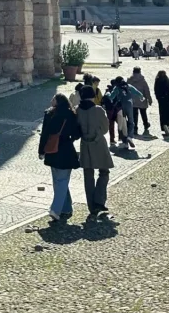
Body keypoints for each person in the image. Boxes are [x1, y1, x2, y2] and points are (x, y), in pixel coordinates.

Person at [38, 94, 81, 222]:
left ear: (57, 102)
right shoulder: (71, 115)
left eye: (53, 99)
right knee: (62, 181)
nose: (51, 100)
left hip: (52, 151)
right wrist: (69, 138)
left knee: (58, 181)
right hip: (66, 150)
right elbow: (77, 133)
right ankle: (65, 208)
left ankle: (56, 210)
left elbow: (44, 134)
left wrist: (41, 151)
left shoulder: (49, 114)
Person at [76, 86, 113, 218]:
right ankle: (99, 200)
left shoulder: (78, 110)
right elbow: (104, 129)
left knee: (88, 175)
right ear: (92, 96)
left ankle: (91, 206)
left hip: (85, 145)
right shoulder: (98, 110)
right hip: (98, 144)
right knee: (104, 171)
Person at [129, 67, 153, 134]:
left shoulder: (130, 80)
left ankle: (135, 128)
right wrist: (149, 99)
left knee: (134, 115)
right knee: (143, 114)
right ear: (140, 72)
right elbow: (147, 91)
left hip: (133, 101)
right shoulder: (143, 81)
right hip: (142, 100)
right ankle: (146, 125)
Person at [154, 70, 169, 138]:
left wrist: (158, 98)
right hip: (168, 99)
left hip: (161, 100)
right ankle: (167, 124)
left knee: (162, 113)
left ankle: (164, 126)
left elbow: (155, 90)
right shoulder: (168, 81)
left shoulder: (157, 81)